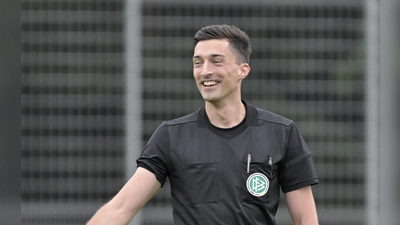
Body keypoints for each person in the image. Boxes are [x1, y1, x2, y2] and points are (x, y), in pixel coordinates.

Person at [87, 24, 319, 225]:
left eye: (216, 61)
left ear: (243, 70)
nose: (205, 71)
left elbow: (305, 220)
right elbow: (120, 209)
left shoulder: (281, 132)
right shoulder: (171, 136)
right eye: (198, 63)